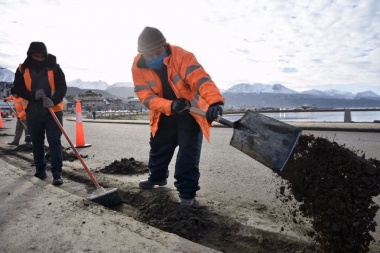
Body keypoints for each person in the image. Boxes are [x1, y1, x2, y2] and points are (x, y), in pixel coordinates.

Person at [131, 27, 225, 206]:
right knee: (158, 148)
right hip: (164, 112)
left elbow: (201, 79)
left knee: (188, 153)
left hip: (190, 113)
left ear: (165, 45)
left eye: (158, 52)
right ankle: (157, 178)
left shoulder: (182, 56)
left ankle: (186, 194)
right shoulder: (137, 66)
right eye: (149, 54)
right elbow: (146, 97)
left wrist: (215, 102)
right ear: (142, 53)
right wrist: (170, 105)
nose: (153, 57)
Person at [13, 41, 67, 186]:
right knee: (37, 143)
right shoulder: (22, 69)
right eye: (36, 56)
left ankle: (57, 173)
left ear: (46, 55)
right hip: (33, 112)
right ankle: (40, 171)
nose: (39, 59)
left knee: (55, 142)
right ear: (30, 55)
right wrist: (33, 95)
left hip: (53, 112)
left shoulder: (55, 68)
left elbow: (62, 87)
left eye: (41, 57)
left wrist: (53, 100)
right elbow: (17, 89)